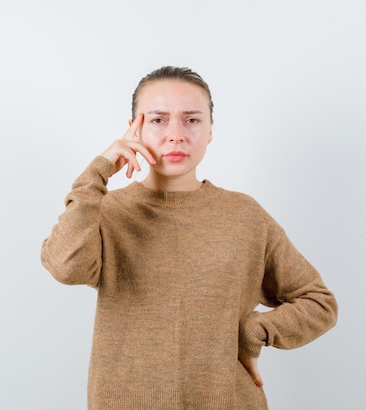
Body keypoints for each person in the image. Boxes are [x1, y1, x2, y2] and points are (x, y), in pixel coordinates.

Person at [41, 66, 338, 410]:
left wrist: (257, 328)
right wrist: (98, 171)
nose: (176, 134)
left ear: (211, 130)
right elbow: (65, 265)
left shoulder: (244, 216)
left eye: (192, 120)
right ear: (132, 129)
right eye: (158, 119)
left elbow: (318, 302)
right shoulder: (106, 211)